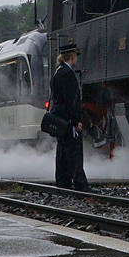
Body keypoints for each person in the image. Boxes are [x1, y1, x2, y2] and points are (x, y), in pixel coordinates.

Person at [49, 49, 90, 191]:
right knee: (74, 152)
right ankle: (81, 184)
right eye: (75, 56)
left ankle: (63, 182)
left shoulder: (57, 72)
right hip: (67, 119)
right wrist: (76, 121)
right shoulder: (68, 74)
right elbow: (71, 100)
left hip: (59, 119)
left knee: (62, 151)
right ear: (72, 56)